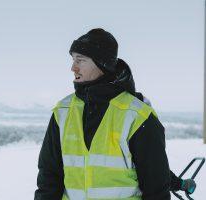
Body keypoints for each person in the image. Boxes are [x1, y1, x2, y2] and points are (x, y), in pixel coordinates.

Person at [34, 28, 196, 200]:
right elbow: (49, 177)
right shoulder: (63, 111)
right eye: (73, 60)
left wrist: (177, 183)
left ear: (101, 63)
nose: (73, 67)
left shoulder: (137, 115)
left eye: (80, 60)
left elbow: (156, 185)